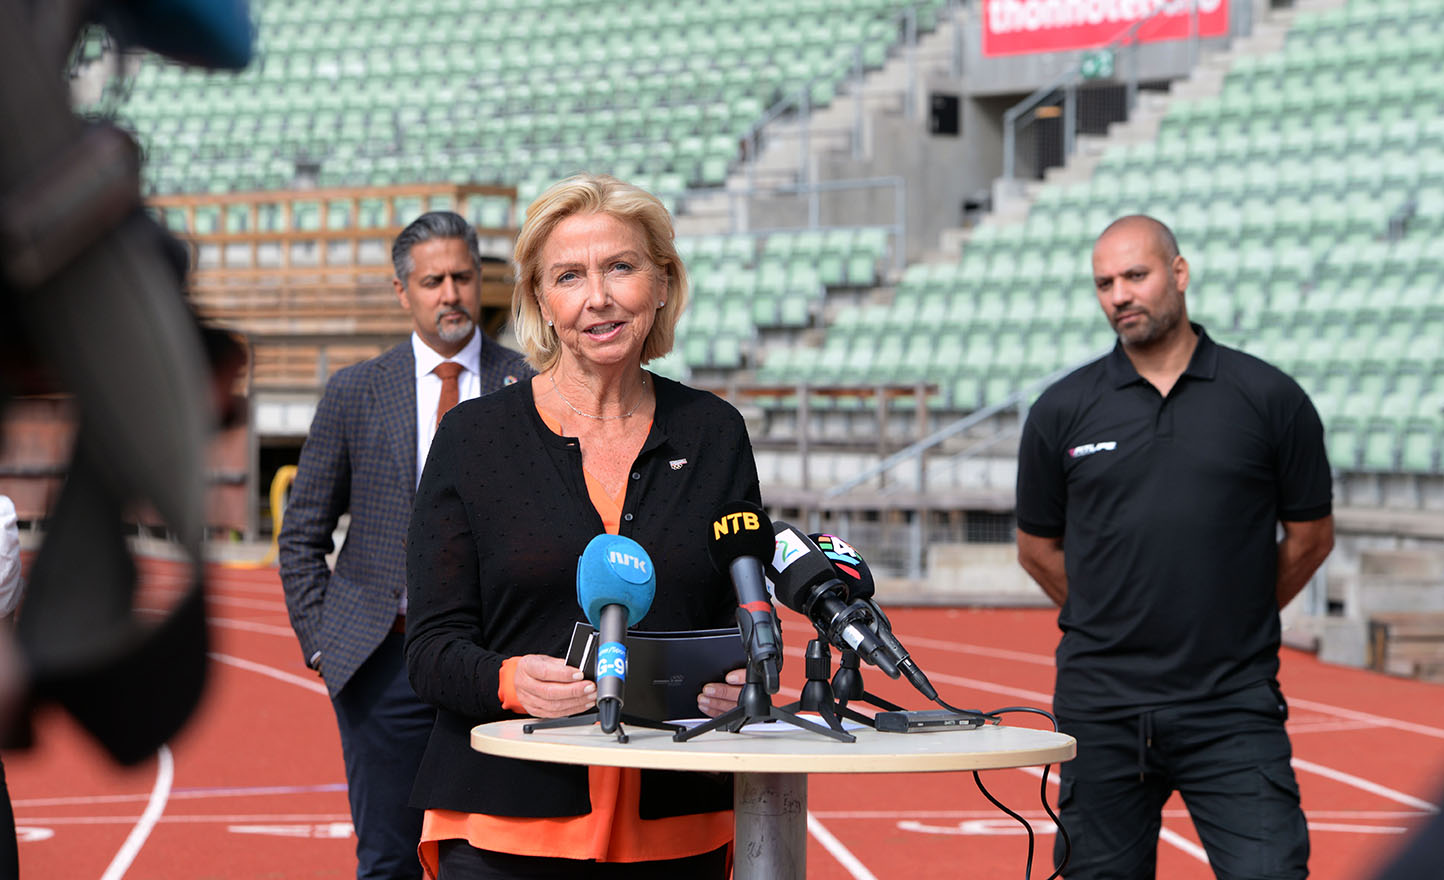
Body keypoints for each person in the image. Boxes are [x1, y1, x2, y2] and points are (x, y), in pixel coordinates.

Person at [405, 174, 758, 879]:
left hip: (678, 828)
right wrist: (510, 681)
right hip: (507, 829)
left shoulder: (715, 432)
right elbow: (432, 647)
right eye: (569, 276)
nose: (597, 297)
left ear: (662, 283)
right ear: (541, 299)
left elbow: (741, 613)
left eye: (620, 267)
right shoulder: (473, 438)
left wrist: (740, 679)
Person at [1014, 215, 1335, 879]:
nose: (1119, 295)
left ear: (1179, 274)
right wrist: (1111, 613)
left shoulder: (1270, 398)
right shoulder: (1061, 410)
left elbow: (1310, 537)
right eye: (1104, 283)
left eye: (1136, 275)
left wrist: (1236, 614)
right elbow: (1036, 548)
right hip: (1101, 705)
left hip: (1231, 704)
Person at [279, 211, 534, 880]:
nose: (449, 293)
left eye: (461, 276)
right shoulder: (356, 391)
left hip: (492, 660)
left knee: (487, 859)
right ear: (403, 292)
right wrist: (322, 640)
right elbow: (302, 531)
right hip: (380, 659)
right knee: (389, 859)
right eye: (431, 281)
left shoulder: (531, 386)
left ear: (480, 282)